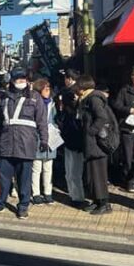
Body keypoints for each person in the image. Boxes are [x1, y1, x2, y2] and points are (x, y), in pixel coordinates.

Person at [0, 67, 48, 220]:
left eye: (23, 78)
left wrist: (44, 140)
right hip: (6, 143)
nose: (21, 81)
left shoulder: (34, 97)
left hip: (26, 143)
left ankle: (23, 206)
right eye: (18, 79)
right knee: (3, 176)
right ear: (12, 80)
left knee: (24, 178)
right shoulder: (3, 98)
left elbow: (42, 121)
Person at [76, 74, 112, 216]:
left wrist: (91, 131)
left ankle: (104, 203)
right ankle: (97, 201)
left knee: (98, 174)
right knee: (92, 174)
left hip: (97, 143)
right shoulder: (86, 99)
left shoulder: (94, 99)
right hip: (91, 144)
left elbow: (102, 117)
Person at [57, 69, 85, 207]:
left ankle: (77, 197)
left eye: (66, 78)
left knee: (73, 170)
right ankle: (75, 195)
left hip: (72, 135)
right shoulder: (71, 93)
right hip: (73, 135)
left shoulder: (70, 93)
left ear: (70, 78)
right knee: (73, 169)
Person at [32, 79, 59, 205]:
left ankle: (48, 193)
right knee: (36, 167)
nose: (48, 91)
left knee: (48, 167)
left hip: (51, 137)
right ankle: (36, 193)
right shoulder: (33, 103)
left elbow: (54, 119)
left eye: (49, 89)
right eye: (46, 89)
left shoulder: (52, 103)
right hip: (37, 137)